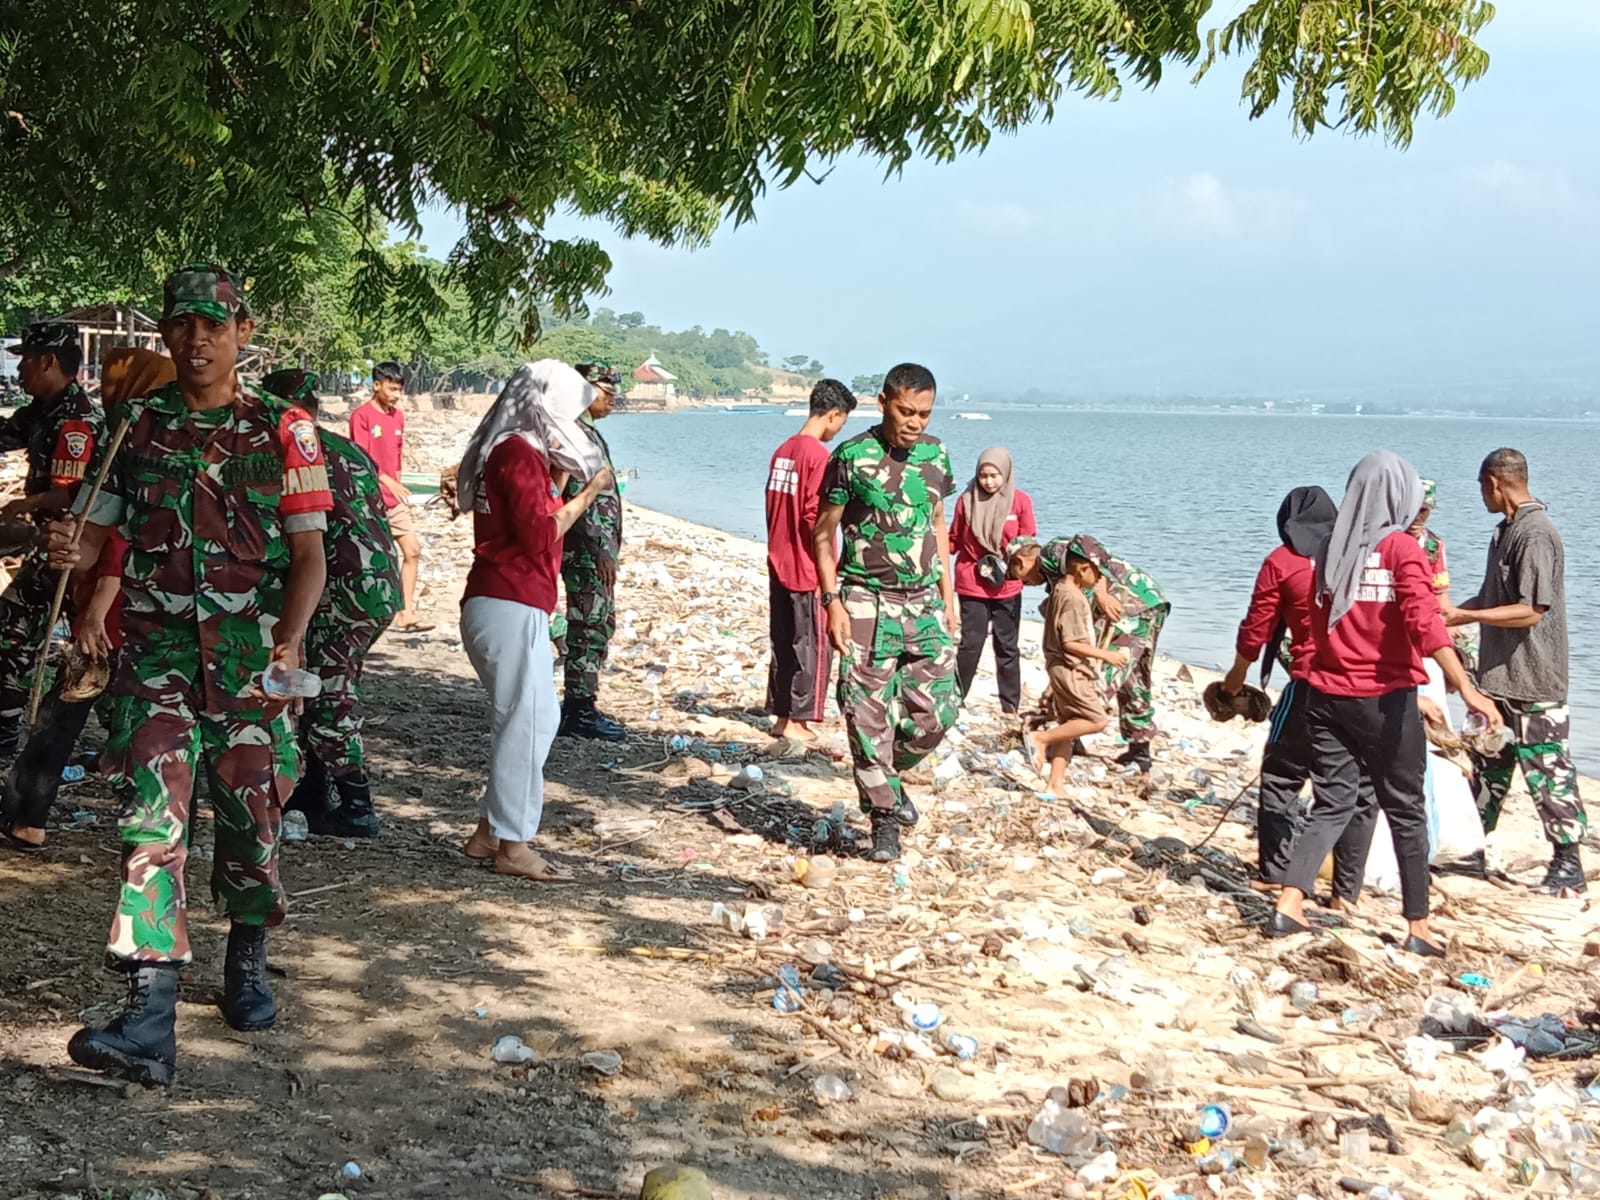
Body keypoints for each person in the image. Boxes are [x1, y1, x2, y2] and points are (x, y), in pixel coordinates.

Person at [49, 264, 332, 1086]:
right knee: (152, 823)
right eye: (182, 324)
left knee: (253, 823)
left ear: (243, 332)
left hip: (250, 664)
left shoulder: (288, 430)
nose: (197, 339)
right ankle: (149, 1014)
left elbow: (310, 556)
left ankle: (247, 954)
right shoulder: (134, 425)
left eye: (214, 324)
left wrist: (291, 641)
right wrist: (72, 550)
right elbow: (95, 537)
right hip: (157, 665)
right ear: (166, 333)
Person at [1270, 450, 1499, 955]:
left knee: (1332, 802)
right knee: (1406, 811)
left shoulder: (1328, 547)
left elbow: (1316, 619)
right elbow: (1424, 622)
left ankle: (1289, 904)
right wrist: (1466, 687)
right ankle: (1418, 928)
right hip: (1384, 700)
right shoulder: (1401, 549)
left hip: (1327, 695)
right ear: (1401, 495)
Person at [0, 348, 171, 852]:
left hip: (114, 611)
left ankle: (29, 817)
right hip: (124, 607)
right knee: (105, 713)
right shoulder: (129, 443)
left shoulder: (138, 451)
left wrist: (94, 614)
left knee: (68, 712)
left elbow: (118, 547)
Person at [454, 361, 613, 881]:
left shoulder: (517, 450)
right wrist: (588, 495)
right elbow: (540, 534)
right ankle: (514, 845)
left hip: (508, 600)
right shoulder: (517, 452)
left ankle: (489, 831)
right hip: (509, 599)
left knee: (531, 718)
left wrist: (562, 477)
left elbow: (534, 517)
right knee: (527, 722)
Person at [811, 363, 959, 864]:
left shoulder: (936, 454)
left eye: (924, 414)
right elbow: (823, 534)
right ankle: (884, 819)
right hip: (865, 601)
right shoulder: (851, 457)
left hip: (925, 602)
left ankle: (887, 779)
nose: (915, 422)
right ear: (883, 403)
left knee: (939, 712)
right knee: (864, 714)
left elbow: (938, 524)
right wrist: (831, 601)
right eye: (906, 411)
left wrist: (949, 595)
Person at [1219, 486, 1377, 903]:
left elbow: (1256, 629)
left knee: (1282, 774)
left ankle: (1277, 872)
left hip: (1311, 683)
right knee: (1357, 789)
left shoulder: (1283, 561)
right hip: (1367, 686)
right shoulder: (1361, 556)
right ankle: (1346, 892)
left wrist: (1234, 682)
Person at [262, 369, 402, 838]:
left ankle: (356, 802)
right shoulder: (349, 449)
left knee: (327, 692)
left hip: (339, 587)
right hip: (379, 582)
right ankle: (314, 790)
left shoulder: (288, 451)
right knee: (328, 679)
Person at [1445, 448, 1587, 895]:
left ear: (1494, 482)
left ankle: (1568, 863)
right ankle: (1471, 850)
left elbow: (1531, 610)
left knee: (1548, 771)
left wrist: (1466, 617)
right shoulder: (1505, 531)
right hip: (1498, 679)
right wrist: (1449, 615)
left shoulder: (1536, 533)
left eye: (1480, 486)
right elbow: (1491, 600)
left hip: (1535, 680)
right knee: (1487, 766)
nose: (1481, 495)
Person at [0, 321, 100, 758]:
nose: (19, 370)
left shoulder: (76, 419)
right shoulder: (41, 409)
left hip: (69, 546)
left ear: (48, 362)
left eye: (25, 360)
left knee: (16, 628)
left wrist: (26, 503)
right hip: (44, 541)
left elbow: (76, 492)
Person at [765, 378, 856, 741]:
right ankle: (798, 720)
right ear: (833, 415)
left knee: (784, 640)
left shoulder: (782, 451)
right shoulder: (819, 457)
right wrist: (829, 568)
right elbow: (813, 519)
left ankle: (781, 715)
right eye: (841, 422)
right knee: (812, 645)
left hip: (778, 557)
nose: (838, 430)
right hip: (806, 565)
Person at [1006, 538, 1119, 795]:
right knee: (1096, 720)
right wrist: (1106, 655)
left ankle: (1055, 784)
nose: (1099, 580)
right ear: (1082, 569)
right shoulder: (1073, 598)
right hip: (1070, 669)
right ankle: (1040, 738)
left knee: (1069, 723)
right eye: (1098, 573)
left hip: (1061, 668)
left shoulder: (1058, 589)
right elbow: (1070, 643)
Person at [557, 363, 625, 741]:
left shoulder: (587, 433)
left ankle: (583, 703)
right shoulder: (576, 436)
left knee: (599, 623)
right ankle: (578, 710)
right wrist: (600, 548)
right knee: (588, 627)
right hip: (586, 550)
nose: (612, 399)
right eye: (605, 391)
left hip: (594, 549)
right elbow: (579, 497)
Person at [1066, 534, 1169, 773]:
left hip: (1132, 605)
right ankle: (1140, 749)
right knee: (1134, 677)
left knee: (1104, 673)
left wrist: (1101, 595)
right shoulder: (1069, 559)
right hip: (1151, 601)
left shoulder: (1056, 558)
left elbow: (1088, 594)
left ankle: (1068, 736)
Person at [950, 448, 1035, 714]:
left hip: (1007, 584)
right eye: (983, 475)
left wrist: (1027, 571)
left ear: (1005, 474)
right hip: (972, 582)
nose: (988, 482)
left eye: (994, 476)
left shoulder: (1020, 501)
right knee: (970, 644)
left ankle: (1010, 706)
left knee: (1007, 646)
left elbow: (1028, 543)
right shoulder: (966, 500)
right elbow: (953, 539)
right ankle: (955, 699)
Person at [349, 361, 430, 632]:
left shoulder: (398, 417)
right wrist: (386, 481)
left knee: (412, 550)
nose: (396, 395)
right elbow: (361, 459)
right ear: (376, 385)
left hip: (395, 500)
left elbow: (396, 455)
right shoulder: (361, 416)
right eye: (392, 389)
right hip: (370, 498)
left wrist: (398, 485)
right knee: (379, 558)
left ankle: (407, 612)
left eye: (399, 390)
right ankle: (374, 612)